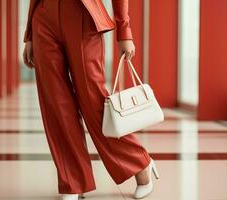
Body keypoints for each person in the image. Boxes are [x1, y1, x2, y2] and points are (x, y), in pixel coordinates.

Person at [22, 0, 159, 199]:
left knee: (94, 101)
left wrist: (124, 30)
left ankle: (140, 163)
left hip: (83, 13)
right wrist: (30, 35)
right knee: (57, 105)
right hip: (44, 18)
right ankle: (73, 182)